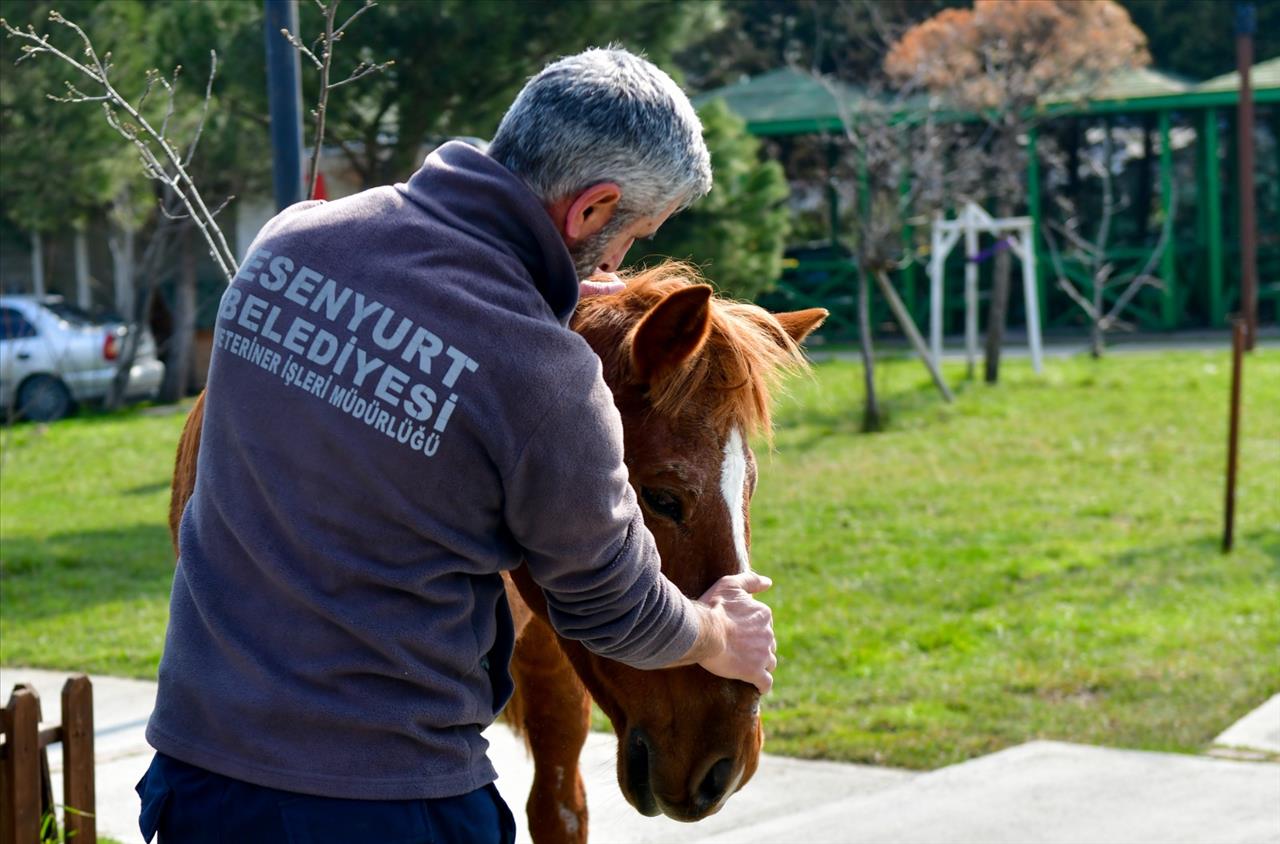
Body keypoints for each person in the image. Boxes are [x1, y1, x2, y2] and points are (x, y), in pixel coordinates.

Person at [137, 47, 777, 843]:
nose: (616, 271)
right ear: (589, 210)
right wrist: (721, 634)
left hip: (197, 776)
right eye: (625, 241)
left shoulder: (288, 245)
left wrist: (543, 287)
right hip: (383, 801)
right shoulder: (543, 374)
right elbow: (611, 605)